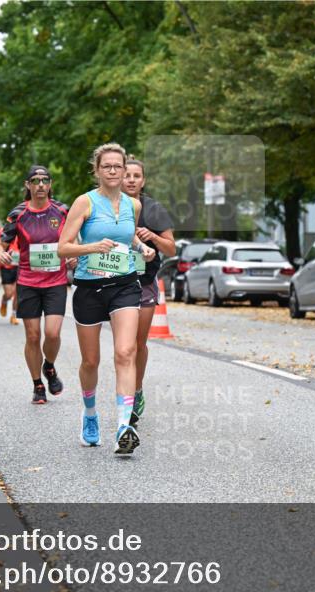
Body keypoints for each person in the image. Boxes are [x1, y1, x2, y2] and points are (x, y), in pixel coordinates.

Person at [58, 144, 155, 454]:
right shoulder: (84, 202)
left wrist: (142, 248)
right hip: (89, 287)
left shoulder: (133, 205)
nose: (113, 171)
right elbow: (63, 247)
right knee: (90, 361)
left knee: (126, 352)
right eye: (107, 166)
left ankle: (124, 426)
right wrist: (92, 247)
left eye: (118, 166)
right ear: (97, 170)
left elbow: (128, 237)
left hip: (125, 284)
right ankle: (90, 414)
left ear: (125, 170)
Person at [0, 165, 73, 404]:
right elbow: (1, 243)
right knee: (32, 335)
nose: (40, 185)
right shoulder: (18, 214)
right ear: (27, 185)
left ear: (50, 184)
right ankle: (38, 384)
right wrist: (0, 253)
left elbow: (74, 239)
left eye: (44, 180)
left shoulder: (62, 210)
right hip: (28, 282)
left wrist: (74, 255)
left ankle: (49, 366)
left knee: (52, 333)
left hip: (56, 281)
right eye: (35, 181)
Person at [121, 157, 177, 427]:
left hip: (144, 282)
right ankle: (126, 398)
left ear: (143, 181)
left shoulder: (154, 209)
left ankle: (137, 389)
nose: (131, 180)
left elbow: (171, 249)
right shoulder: (108, 206)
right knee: (124, 346)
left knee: (138, 343)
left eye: (136, 176)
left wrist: (152, 237)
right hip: (117, 283)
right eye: (127, 175)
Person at [0, 226, 20, 324]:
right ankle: (4, 301)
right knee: (9, 293)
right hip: (6, 266)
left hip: (19, 266)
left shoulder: (26, 228)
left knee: (17, 293)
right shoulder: (5, 230)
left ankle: (14, 315)